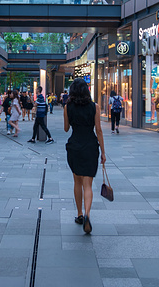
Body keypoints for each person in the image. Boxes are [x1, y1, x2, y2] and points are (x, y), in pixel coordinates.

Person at [64, 78, 105, 234]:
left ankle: (80, 214)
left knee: (77, 181)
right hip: (90, 146)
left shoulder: (68, 107)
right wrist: (103, 152)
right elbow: (99, 131)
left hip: (74, 146)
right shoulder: (95, 107)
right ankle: (88, 214)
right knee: (88, 184)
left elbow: (66, 129)